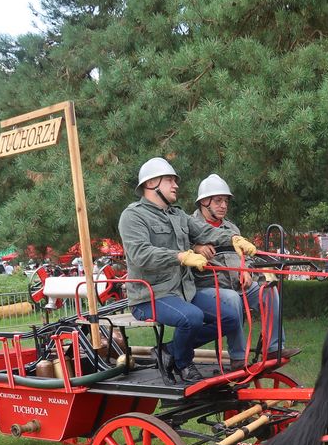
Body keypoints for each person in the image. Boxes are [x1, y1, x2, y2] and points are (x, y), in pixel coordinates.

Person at [118, 157, 242, 383]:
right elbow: (140, 254)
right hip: (150, 295)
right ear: (151, 184)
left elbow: (204, 232)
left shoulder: (177, 214)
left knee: (232, 319)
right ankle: (183, 363)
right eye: (169, 180)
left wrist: (234, 238)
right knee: (192, 317)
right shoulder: (133, 216)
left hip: (182, 291)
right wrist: (181, 256)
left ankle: (169, 350)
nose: (176, 185)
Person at [191, 173, 296, 367]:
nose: (224, 205)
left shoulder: (231, 228)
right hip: (207, 289)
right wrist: (196, 248)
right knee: (232, 299)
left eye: (226, 201)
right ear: (204, 202)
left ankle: (274, 349)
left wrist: (245, 270)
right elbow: (178, 250)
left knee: (269, 291)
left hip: (238, 285)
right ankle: (238, 357)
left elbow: (246, 257)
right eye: (218, 201)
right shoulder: (189, 225)